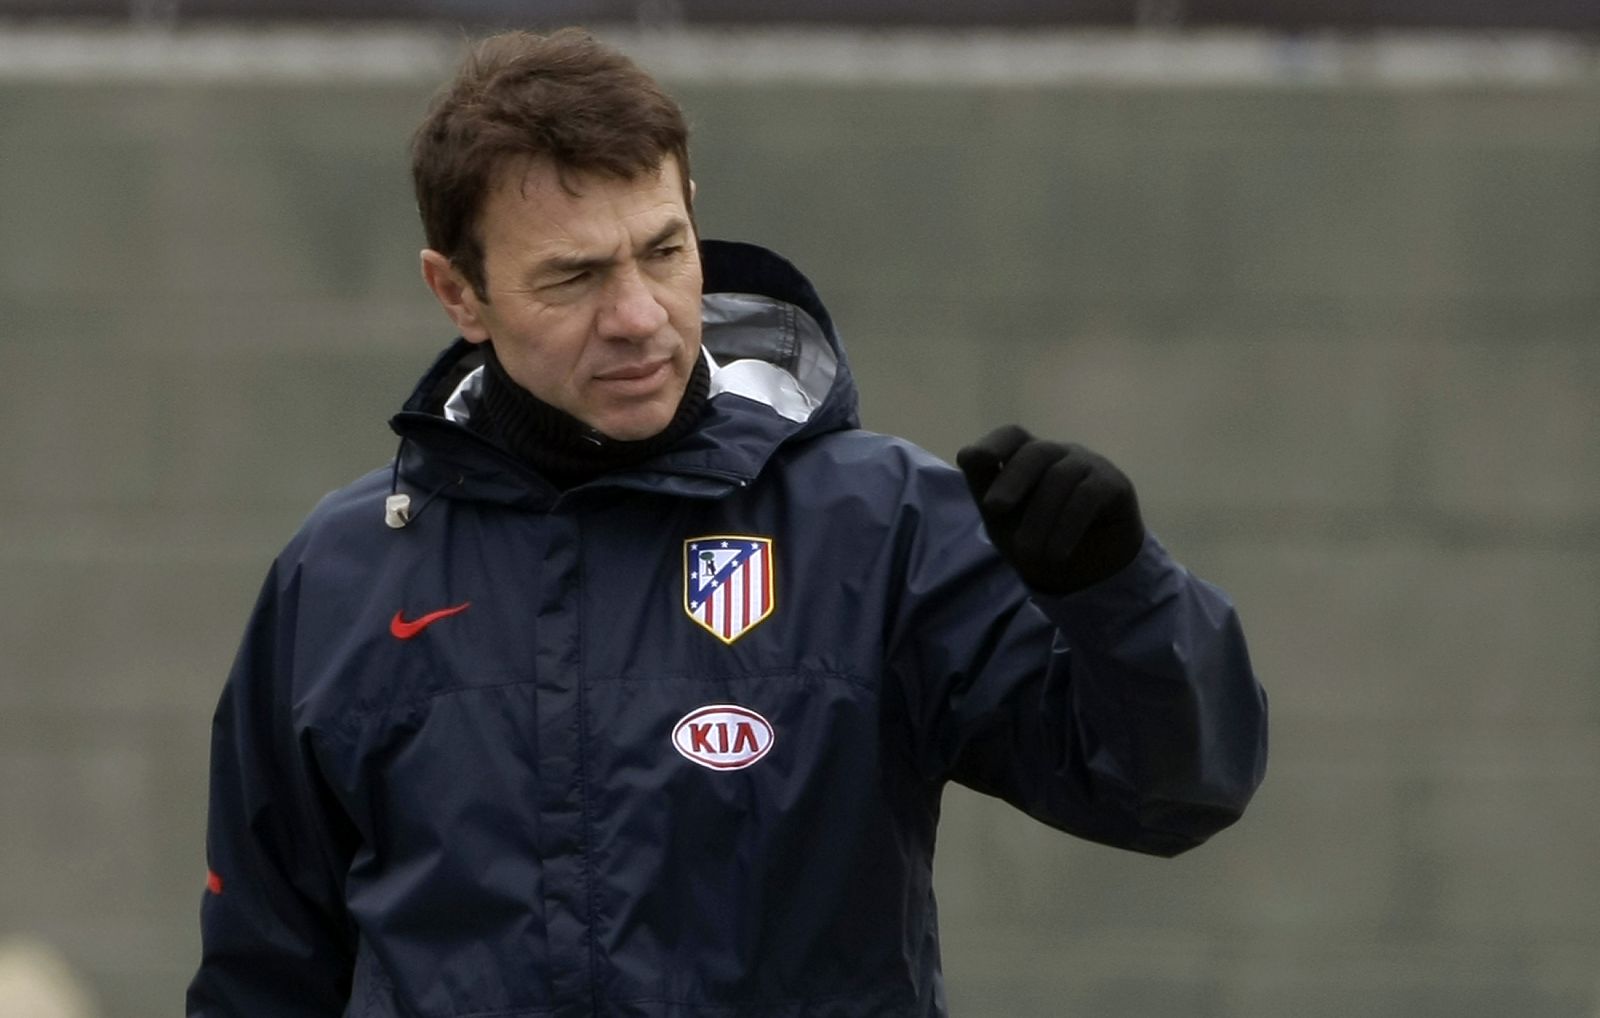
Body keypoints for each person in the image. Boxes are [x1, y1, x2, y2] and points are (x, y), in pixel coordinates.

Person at [186, 28, 1267, 1018]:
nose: (639, 316)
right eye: (572, 276)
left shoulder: (873, 526)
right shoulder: (340, 573)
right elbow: (263, 973)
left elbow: (1173, 789)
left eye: (662, 250)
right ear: (458, 295)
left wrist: (1116, 594)